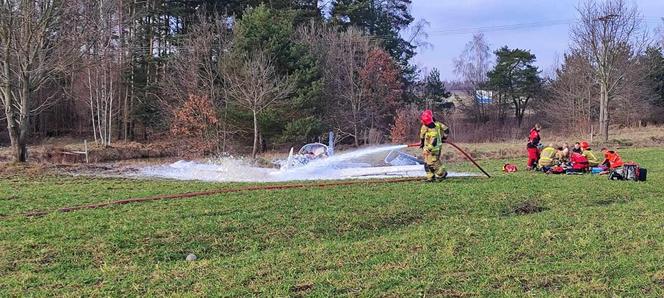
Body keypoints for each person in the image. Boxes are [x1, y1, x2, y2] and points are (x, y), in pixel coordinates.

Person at [419, 110, 449, 182]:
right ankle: (430, 177)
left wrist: (427, 148)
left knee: (433, 163)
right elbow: (446, 129)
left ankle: (442, 174)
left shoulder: (432, 130)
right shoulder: (438, 124)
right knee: (427, 163)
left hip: (433, 149)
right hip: (433, 147)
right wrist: (444, 138)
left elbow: (432, 141)